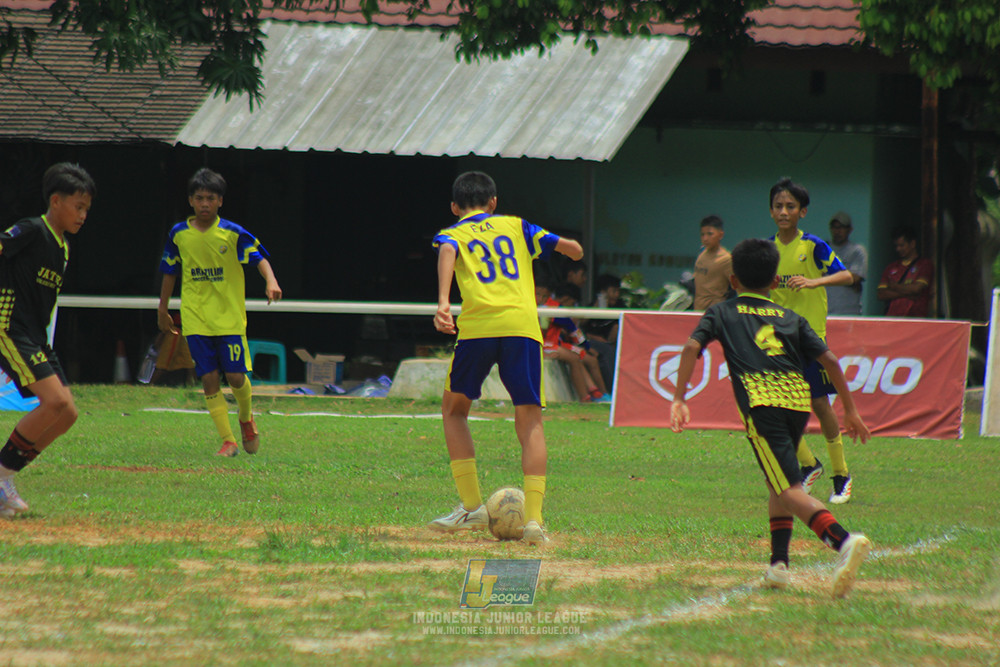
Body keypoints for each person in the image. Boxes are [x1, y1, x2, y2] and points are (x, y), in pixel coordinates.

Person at [670, 238, 873, 598]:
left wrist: (679, 397)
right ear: (775, 281)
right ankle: (778, 566)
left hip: (762, 403)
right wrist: (851, 410)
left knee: (788, 490)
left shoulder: (721, 312)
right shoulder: (790, 317)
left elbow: (690, 347)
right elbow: (830, 361)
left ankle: (843, 541)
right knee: (776, 480)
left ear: (733, 280)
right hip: (797, 402)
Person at [428, 171, 583, 546]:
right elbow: (574, 250)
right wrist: (569, 249)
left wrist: (444, 302)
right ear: (493, 202)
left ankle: (471, 507)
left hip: (478, 328)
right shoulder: (518, 226)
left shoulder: (453, 233)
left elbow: (447, 250)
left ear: (455, 207)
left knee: (454, 410)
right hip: (522, 328)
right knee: (530, 420)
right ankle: (534, 521)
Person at [157, 168, 282, 457]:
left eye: (210, 198)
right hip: (196, 318)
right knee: (209, 377)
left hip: (229, 319)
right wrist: (162, 308)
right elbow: (169, 271)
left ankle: (246, 419)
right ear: (191, 200)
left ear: (220, 201)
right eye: (199, 198)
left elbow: (259, 258)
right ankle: (228, 440)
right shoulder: (179, 234)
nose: (205, 204)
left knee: (236, 377)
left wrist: (271, 281)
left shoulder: (232, 233)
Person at [0, 163, 95, 517]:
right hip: (9, 328)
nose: (83, 215)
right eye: (78, 206)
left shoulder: (63, 249)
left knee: (66, 413)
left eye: (87, 209)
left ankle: (5, 476)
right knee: (53, 402)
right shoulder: (31, 230)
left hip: (36, 337)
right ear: (56, 201)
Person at [767, 178, 856, 504]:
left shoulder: (813, 246)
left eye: (790, 206)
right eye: (778, 206)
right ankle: (808, 464)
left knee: (819, 405)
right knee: (772, 408)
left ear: (802, 212)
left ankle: (841, 474)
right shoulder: (767, 249)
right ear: (771, 211)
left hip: (810, 338)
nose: (784, 211)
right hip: (778, 339)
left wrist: (813, 281)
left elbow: (847, 275)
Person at [540, 282, 610, 403]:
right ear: (566, 299)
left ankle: (598, 393)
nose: (541, 298)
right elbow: (573, 330)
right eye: (572, 304)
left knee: (586, 359)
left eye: (544, 296)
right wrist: (587, 346)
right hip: (547, 344)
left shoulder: (550, 307)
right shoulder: (555, 309)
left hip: (556, 344)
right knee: (577, 358)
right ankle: (589, 396)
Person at [877, 227, 933, 317]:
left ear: (913, 244)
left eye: (902, 245)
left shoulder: (924, 264)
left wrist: (895, 287)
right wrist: (909, 293)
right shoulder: (891, 267)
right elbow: (881, 294)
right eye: (896, 246)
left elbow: (916, 289)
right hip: (893, 318)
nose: (898, 249)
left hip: (915, 318)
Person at [582, 272, 621, 390]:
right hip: (590, 343)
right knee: (607, 351)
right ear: (603, 292)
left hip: (610, 344)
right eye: (613, 291)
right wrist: (596, 307)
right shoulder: (591, 307)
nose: (616, 295)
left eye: (618, 291)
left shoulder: (619, 306)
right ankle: (611, 389)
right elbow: (580, 325)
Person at [825, 212, 868, 316]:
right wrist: (843, 275)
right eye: (835, 228)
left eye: (841, 228)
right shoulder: (823, 250)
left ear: (849, 230)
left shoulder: (857, 251)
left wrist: (827, 274)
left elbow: (854, 278)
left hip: (849, 312)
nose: (837, 231)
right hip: (824, 312)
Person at [693, 215, 733, 311]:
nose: (705, 238)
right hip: (697, 309)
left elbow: (738, 287)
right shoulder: (702, 254)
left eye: (710, 234)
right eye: (702, 234)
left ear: (720, 235)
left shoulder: (726, 259)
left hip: (714, 311)